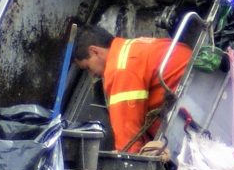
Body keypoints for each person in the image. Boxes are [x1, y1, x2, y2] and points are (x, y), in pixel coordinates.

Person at [72, 24, 193, 154]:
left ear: (94, 51)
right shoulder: (131, 47)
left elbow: (128, 141)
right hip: (199, 87)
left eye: (88, 68)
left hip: (191, 112)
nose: (92, 75)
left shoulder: (120, 69)